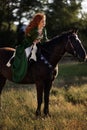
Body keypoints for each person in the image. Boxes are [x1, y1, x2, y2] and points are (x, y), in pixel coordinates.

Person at [11, 12, 48, 83]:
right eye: (42, 21)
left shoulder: (44, 30)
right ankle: (24, 68)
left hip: (39, 46)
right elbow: (27, 39)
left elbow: (45, 39)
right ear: (38, 21)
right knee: (27, 53)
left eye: (44, 21)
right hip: (28, 45)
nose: (44, 22)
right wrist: (33, 42)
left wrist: (45, 42)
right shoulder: (32, 29)